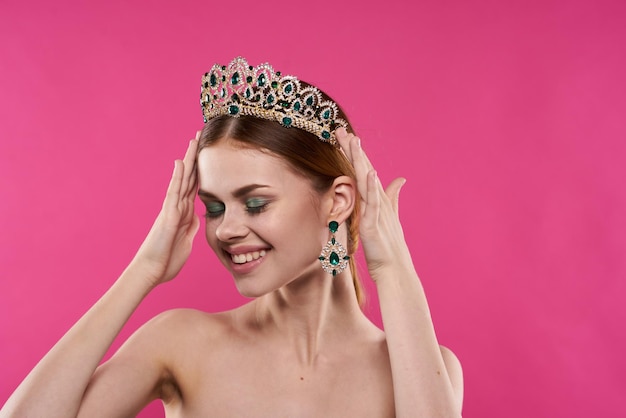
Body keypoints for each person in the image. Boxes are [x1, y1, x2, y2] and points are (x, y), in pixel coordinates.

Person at [0, 57, 463, 417]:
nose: (226, 230)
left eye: (256, 203)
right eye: (214, 207)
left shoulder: (420, 368)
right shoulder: (182, 343)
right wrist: (143, 271)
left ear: (337, 201)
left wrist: (392, 269)